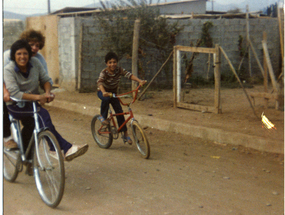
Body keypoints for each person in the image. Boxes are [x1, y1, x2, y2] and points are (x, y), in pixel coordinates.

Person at [4, 39, 88, 170]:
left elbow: (46, 80)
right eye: (19, 54)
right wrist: (39, 96)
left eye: (25, 53)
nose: (22, 57)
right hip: (15, 105)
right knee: (42, 114)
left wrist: (47, 92)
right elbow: (15, 93)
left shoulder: (35, 63)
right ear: (14, 55)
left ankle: (27, 158)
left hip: (31, 104)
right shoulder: (8, 70)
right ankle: (60, 148)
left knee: (34, 126)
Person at [3, 29, 52, 149]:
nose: (35, 48)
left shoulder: (38, 60)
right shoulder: (7, 56)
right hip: (7, 89)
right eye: (31, 45)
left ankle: (25, 152)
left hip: (25, 94)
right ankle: (7, 138)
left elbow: (44, 79)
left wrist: (47, 93)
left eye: (38, 46)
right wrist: (4, 91)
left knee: (32, 123)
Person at [97, 51, 146, 144]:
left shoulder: (119, 70)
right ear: (106, 63)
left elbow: (129, 75)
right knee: (106, 99)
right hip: (102, 92)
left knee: (120, 112)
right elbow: (99, 83)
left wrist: (140, 81)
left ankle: (125, 134)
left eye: (114, 62)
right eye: (110, 62)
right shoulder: (104, 72)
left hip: (114, 94)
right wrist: (104, 92)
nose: (112, 64)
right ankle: (102, 117)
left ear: (117, 62)